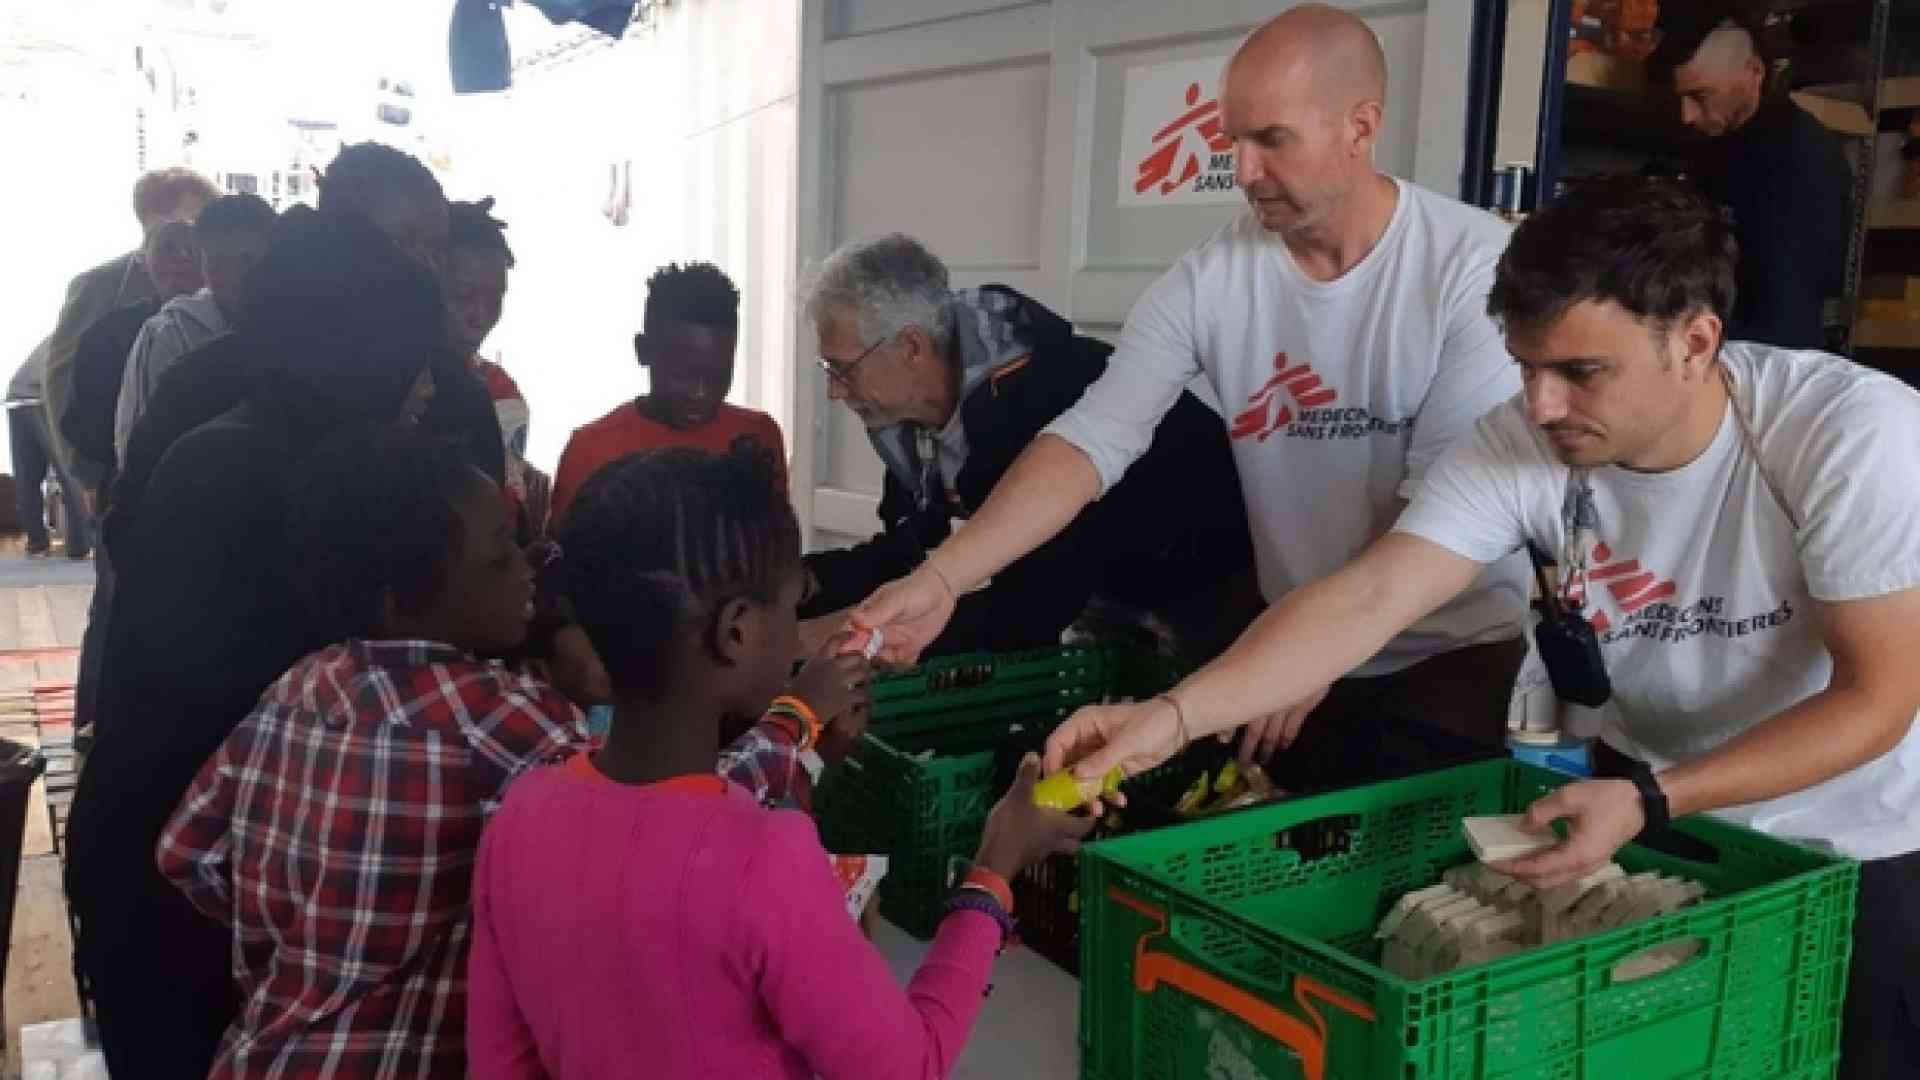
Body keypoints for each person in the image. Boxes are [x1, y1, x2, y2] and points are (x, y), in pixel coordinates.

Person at [1040, 175, 1920, 1079]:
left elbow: (1877, 701)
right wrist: (1173, 718)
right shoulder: (1524, 439)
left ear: (1694, 343)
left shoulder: (1849, 436)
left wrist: (1653, 797)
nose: (1541, 405)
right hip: (1661, 815)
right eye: (1525, 366)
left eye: (1580, 372)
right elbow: (1370, 596)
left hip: (1844, 842)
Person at [854, 5, 1528, 784]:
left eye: (1271, 140)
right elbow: (1089, 441)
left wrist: (1318, 652)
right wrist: (942, 578)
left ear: (1360, 127)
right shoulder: (1212, 279)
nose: (1243, 171)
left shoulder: (1474, 271)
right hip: (1282, 645)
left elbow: (1433, 521)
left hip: (1444, 660)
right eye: (1233, 140)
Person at [465, 446, 1092, 1079]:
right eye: (792, 606)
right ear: (736, 631)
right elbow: (910, 1066)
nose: (799, 631)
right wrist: (995, 868)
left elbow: (499, 1063)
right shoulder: (766, 858)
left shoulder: (522, 814)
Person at [65, 207, 443, 1078]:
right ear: (361, 357)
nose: (426, 390)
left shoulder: (233, 439)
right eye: (411, 364)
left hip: (170, 863)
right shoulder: (293, 482)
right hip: (188, 887)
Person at [156, 429, 586, 1079]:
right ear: (402, 595)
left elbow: (185, 853)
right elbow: (656, 829)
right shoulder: (504, 720)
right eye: (500, 552)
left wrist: (316, 950)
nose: (526, 567)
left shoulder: (300, 688)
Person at [801, 234, 1257, 660]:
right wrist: (809, 581)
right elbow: (914, 552)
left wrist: (828, 640)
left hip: (1221, 595)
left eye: (843, 369)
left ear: (911, 347)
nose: (834, 391)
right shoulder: (910, 424)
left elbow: (1027, 611)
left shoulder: (1046, 395)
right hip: (1111, 609)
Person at [1650, 3, 1852, 350]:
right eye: (1682, 97)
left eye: (1700, 96)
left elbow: (1789, 309)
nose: (1686, 115)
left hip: (1765, 354)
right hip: (1708, 341)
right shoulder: (1715, 145)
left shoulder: (1801, 156)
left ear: (1754, 72)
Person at [39, 167, 219, 533]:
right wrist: (85, 474)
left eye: (196, 224)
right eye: (171, 222)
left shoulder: (221, 276)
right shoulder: (102, 284)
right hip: (118, 466)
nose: (183, 244)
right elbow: (62, 377)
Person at [548, 262, 787, 529]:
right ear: (643, 351)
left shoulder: (758, 438)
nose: (700, 392)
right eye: (682, 375)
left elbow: (777, 545)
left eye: (717, 376)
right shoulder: (591, 450)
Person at [114, 192, 276, 463]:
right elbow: (141, 450)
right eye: (217, 263)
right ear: (202, 261)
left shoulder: (298, 326)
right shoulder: (172, 333)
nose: (233, 277)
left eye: (247, 261)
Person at [63, 217, 205, 500]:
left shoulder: (234, 323)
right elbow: (85, 424)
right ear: (142, 261)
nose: (182, 257)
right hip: (129, 484)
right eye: (167, 248)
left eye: (193, 248)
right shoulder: (108, 334)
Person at [447, 198, 548, 535]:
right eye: (463, 295)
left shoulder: (502, 392)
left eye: (495, 299)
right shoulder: (399, 383)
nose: (480, 316)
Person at [6, 343, 89, 557]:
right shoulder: (79, 336)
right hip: (41, 396)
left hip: (17, 397)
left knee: (27, 478)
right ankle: (80, 546)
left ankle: (37, 543)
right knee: (68, 469)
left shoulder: (64, 334)